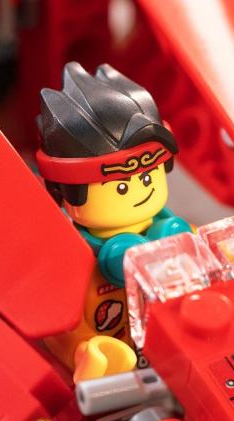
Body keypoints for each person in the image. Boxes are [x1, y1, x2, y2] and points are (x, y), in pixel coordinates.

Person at [35, 62, 192, 380]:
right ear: (68, 191)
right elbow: (56, 326)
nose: (142, 190)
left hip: (179, 351)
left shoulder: (173, 234)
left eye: (148, 177)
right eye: (121, 187)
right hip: (119, 370)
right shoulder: (70, 262)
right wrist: (87, 353)